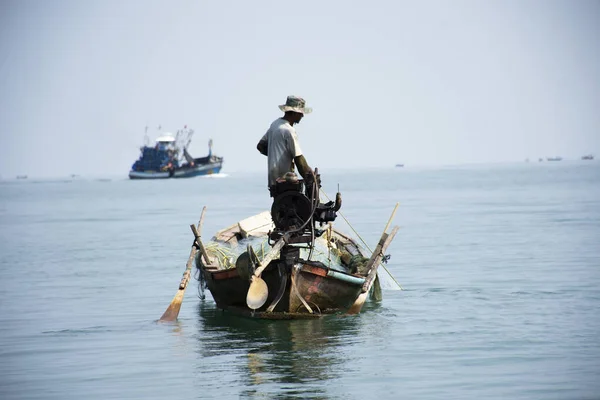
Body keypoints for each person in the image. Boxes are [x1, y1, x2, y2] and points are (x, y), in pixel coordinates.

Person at [257, 95, 314, 196]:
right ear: (294, 112)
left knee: (281, 206)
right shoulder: (289, 131)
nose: (302, 116)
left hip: (273, 180)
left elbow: (261, 146)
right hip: (286, 181)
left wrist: (276, 155)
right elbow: (299, 159)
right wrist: (309, 175)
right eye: (301, 113)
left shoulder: (275, 124)